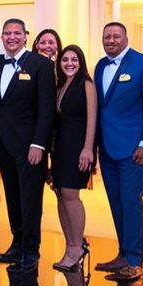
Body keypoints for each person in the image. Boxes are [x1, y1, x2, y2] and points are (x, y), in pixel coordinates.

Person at [93, 22, 143, 282]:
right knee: (116, 202)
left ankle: (135, 259)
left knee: (131, 201)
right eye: (106, 36)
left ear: (126, 38)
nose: (110, 40)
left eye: (115, 36)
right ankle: (123, 253)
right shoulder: (101, 65)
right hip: (107, 147)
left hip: (134, 149)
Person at [0, 19, 55, 271]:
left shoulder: (41, 65)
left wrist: (39, 143)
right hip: (4, 144)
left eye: (17, 33)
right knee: (12, 196)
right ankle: (17, 244)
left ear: (26, 36)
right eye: (7, 33)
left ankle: (31, 249)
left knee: (30, 198)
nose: (11, 37)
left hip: (30, 146)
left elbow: (46, 109)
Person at [51, 45, 97, 272]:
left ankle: (78, 246)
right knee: (60, 193)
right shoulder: (61, 84)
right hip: (61, 146)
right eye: (65, 60)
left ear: (81, 62)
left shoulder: (86, 84)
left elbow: (92, 118)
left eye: (74, 59)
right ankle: (70, 246)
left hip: (78, 145)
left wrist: (88, 149)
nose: (69, 63)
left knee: (70, 194)